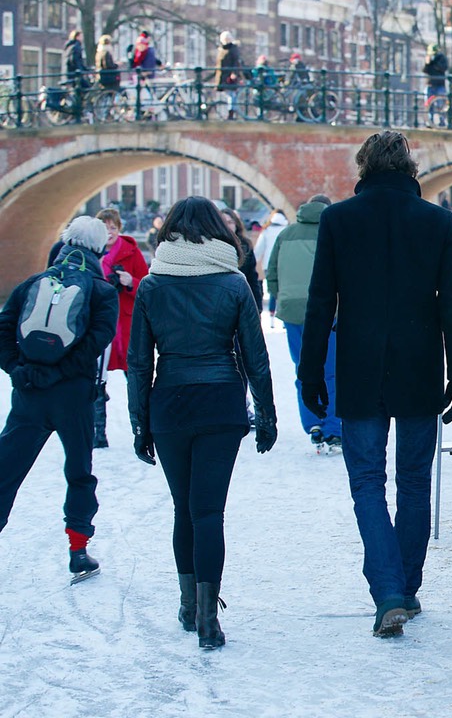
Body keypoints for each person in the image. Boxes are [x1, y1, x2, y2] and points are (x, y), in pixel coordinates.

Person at [299, 131, 452, 638]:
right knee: (415, 483)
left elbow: (320, 302)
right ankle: (407, 586)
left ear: (364, 166)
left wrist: (311, 371)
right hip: (421, 364)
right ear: (410, 169)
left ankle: (389, 590)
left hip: (359, 367)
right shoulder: (438, 221)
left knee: (367, 483)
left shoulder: (338, 219)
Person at [127, 196, 277, 650]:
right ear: (219, 231)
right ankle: (210, 618)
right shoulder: (233, 283)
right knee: (209, 511)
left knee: (182, 509)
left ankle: (188, 604)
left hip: (170, 401)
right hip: (220, 401)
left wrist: (140, 422)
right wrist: (266, 414)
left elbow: (138, 363)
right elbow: (256, 356)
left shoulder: (152, 285)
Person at [0, 217, 118, 580]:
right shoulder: (102, 291)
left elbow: (3, 327)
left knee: (6, 470)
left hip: (29, 392)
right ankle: (78, 551)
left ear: (66, 240)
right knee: (79, 472)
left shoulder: (34, 282)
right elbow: (95, 346)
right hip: (74, 397)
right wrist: (59, 373)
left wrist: (18, 370)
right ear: (100, 248)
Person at [266, 194, 342, 452]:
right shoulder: (334, 231)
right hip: (327, 311)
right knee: (331, 370)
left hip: (292, 310)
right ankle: (332, 426)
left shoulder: (285, 235)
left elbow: (271, 271)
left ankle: (313, 423)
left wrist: (280, 297)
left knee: (303, 368)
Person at [93, 208, 149, 449]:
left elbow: (147, 287)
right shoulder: (91, 255)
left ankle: (142, 427)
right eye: (104, 228)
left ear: (119, 230)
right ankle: (98, 433)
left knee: (135, 378)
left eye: (113, 228)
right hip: (101, 325)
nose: (109, 233)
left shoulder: (132, 252)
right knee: (96, 380)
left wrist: (130, 282)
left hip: (126, 323)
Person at [254, 209, 288, 319]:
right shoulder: (287, 229)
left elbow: (259, 248)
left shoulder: (266, 229)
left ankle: (272, 312)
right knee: (283, 288)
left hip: (268, 264)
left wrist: (253, 260)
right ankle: (282, 312)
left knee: (272, 288)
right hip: (284, 263)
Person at [213, 31, 243, 119]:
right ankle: (225, 112)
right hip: (222, 75)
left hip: (229, 75)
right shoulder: (221, 49)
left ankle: (231, 113)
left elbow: (236, 62)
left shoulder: (233, 49)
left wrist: (234, 73)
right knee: (226, 94)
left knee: (231, 94)